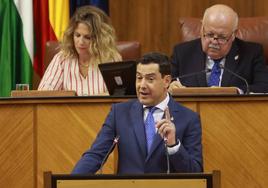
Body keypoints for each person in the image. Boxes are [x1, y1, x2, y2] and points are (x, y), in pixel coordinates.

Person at [72, 52, 203, 174]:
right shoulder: (119, 113)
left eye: (150, 79)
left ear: (166, 81)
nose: (142, 85)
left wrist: (174, 145)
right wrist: (69, 183)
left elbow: (196, 173)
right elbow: (96, 155)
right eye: (139, 78)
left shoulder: (188, 118)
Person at [169, 4, 268, 94]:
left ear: (234, 34)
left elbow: (264, 86)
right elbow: (163, 83)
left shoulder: (251, 53)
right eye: (210, 34)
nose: (214, 42)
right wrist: (170, 86)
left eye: (222, 37)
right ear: (202, 28)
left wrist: (235, 91)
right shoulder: (182, 53)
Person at [38, 6, 122, 96]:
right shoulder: (62, 59)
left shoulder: (111, 60)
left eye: (87, 37)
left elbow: (120, 93)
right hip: (67, 110)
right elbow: (43, 95)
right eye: (77, 35)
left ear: (100, 39)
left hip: (103, 110)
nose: (81, 42)